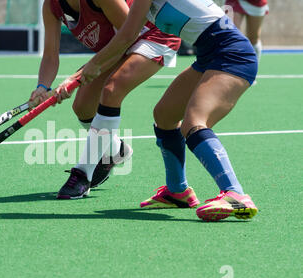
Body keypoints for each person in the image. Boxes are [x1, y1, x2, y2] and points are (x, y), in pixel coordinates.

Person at [57, 0, 259, 221]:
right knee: (165, 115)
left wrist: (92, 66)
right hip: (208, 56)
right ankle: (178, 192)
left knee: (195, 122)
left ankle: (235, 194)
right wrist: (88, 69)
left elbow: (127, 36)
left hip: (232, 55)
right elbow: (127, 34)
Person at [30, 0, 181, 199]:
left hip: (152, 35)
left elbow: (130, 34)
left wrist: (77, 76)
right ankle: (115, 149)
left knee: (112, 90)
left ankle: (83, 174)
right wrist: (42, 87)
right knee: (83, 107)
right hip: (119, 44)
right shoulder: (51, 6)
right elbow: (50, 55)